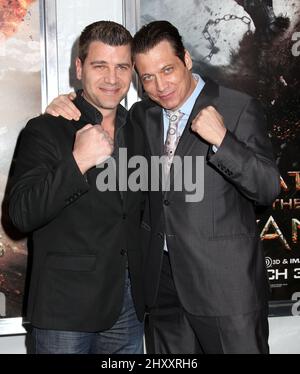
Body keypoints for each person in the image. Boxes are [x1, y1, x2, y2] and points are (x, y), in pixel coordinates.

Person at [45, 20, 281, 354]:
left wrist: (223, 141)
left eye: (167, 69)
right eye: (147, 77)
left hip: (225, 289)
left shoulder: (237, 107)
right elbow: (100, 120)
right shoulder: (143, 114)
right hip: (162, 290)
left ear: (186, 59)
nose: (160, 86)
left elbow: (267, 188)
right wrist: (64, 107)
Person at [8, 21, 145, 354]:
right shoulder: (46, 130)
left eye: (122, 67)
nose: (112, 79)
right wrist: (76, 163)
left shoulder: (140, 127)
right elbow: (20, 215)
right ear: (79, 67)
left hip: (127, 306)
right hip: (63, 311)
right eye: (100, 66)